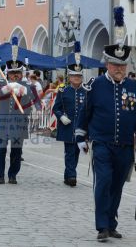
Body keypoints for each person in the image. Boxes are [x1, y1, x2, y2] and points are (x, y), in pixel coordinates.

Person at [75, 6, 136, 242]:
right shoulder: (96, 85)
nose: (119, 69)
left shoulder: (134, 88)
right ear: (107, 64)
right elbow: (84, 113)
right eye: (116, 65)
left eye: (123, 65)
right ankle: (102, 226)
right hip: (102, 144)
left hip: (125, 146)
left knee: (116, 186)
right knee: (103, 181)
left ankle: (112, 222)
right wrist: (79, 136)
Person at [0, 37, 41, 184]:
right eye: (12, 73)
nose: (15, 75)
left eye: (17, 73)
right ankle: (0, 176)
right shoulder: (1, 83)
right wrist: (10, 87)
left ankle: (13, 174)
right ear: (7, 73)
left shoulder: (28, 86)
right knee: (1, 149)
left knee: (16, 150)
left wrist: (24, 90)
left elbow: (36, 101)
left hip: (19, 123)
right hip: (3, 122)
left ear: (21, 73)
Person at [53, 42, 86, 187]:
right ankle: (72, 176)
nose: (77, 78)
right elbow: (56, 108)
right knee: (69, 153)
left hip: (81, 128)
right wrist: (61, 116)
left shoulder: (86, 92)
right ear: (70, 77)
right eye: (74, 76)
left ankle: (68, 175)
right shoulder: (63, 91)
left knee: (77, 153)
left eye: (79, 76)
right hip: (68, 126)